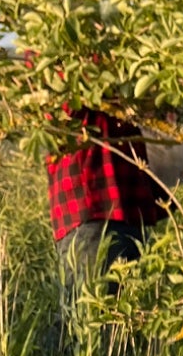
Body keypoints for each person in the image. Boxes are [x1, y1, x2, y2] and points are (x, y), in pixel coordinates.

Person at [44, 106, 170, 287]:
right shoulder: (71, 89)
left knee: (132, 307)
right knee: (97, 307)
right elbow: (65, 105)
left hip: (127, 208)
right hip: (93, 208)